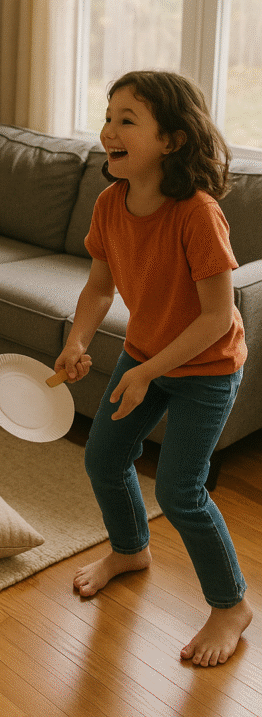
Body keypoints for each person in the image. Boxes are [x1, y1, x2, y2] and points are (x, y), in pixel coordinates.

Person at [54, 70, 252, 667]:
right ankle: (130, 549)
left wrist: (145, 373)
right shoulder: (109, 202)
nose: (107, 131)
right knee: (104, 457)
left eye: (126, 120)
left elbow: (219, 317)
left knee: (180, 490)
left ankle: (231, 606)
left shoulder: (197, 213)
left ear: (171, 139)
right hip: (144, 355)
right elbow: (96, 288)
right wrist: (76, 342)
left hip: (208, 368)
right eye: (108, 116)